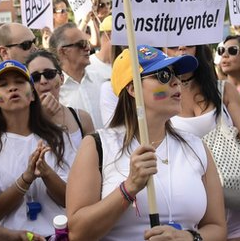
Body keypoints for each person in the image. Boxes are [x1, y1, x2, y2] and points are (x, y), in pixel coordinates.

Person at [66, 46, 226, 240]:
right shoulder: (98, 146)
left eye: (176, 74)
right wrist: (129, 188)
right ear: (133, 88)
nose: (177, 82)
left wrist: (189, 237)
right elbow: (77, 233)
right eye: (164, 75)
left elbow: (217, 227)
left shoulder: (196, 147)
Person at [171, 45, 240, 241]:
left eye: (188, 42)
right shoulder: (158, 97)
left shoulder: (223, 89)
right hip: (194, 215)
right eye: (173, 45)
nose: (181, 47)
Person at [0, 60, 75, 238]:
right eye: (3, 85)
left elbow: (71, 199)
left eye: (19, 82)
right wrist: (26, 179)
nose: (12, 88)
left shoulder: (58, 137)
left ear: (32, 95)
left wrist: (46, 173)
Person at [0, 23, 38, 127]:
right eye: (26, 45)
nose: (35, 48)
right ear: (4, 52)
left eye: (34, 42)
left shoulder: (39, 80)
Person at [26, 49, 95, 139]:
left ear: (61, 79)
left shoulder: (82, 118)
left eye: (49, 74)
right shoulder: (23, 124)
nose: (43, 81)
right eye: (35, 77)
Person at [51, 23, 104, 126]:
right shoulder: (55, 91)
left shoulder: (101, 80)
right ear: (63, 51)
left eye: (87, 43)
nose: (88, 48)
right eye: (82, 44)